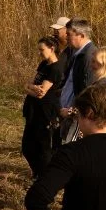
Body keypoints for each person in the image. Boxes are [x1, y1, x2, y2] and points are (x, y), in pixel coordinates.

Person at [21, 37, 63, 179]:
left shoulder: (56, 68)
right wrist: (30, 87)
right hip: (33, 110)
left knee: (42, 146)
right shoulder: (44, 64)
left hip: (45, 112)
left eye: (42, 50)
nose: (39, 53)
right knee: (27, 146)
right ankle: (37, 172)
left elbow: (41, 92)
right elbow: (31, 85)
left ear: (52, 49)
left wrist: (29, 88)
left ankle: (43, 176)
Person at [56, 18, 96, 145]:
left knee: (71, 151)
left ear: (81, 35)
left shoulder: (88, 56)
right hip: (69, 114)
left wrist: (74, 111)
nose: (66, 37)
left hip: (76, 116)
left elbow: (87, 89)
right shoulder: (77, 53)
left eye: (69, 34)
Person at [49, 18, 71, 150]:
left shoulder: (71, 50)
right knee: (55, 128)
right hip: (55, 93)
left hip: (64, 94)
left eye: (58, 30)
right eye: (54, 30)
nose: (55, 32)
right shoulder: (56, 48)